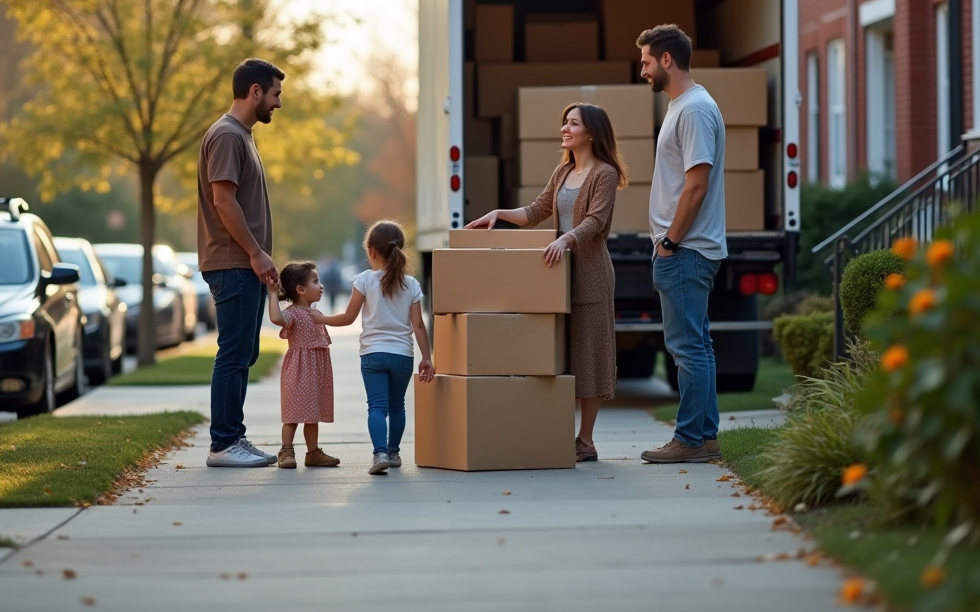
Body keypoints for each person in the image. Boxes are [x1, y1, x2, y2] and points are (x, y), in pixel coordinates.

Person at [465, 103, 626, 462]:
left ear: (592, 133)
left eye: (572, 124)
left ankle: (585, 441)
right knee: (554, 354)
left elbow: (596, 221)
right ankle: (553, 430)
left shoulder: (605, 174)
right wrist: (498, 214)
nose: (564, 130)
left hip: (591, 276)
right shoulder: (563, 170)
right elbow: (537, 211)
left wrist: (566, 239)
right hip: (555, 274)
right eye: (564, 123)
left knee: (588, 355)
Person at [635, 24, 728, 465]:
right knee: (699, 345)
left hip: (686, 251)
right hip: (690, 249)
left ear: (667, 60)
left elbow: (696, 184)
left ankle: (689, 438)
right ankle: (706, 437)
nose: (643, 71)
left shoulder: (692, 110)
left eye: (647, 62)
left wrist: (670, 241)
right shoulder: (686, 106)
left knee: (687, 348)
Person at [197, 58, 285, 468]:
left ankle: (233, 437)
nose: (277, 103)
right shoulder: (228, 136)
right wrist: (254, 252)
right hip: (232, 263)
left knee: (243, 353)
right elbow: (223, 199)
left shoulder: (241, 135)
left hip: (241, 264)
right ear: (255, 92)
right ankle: (224, 443)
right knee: (233, 352)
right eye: (275, 94)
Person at [311, 221, 434, 475]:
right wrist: (426, 358)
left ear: (371, 252)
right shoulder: (411, 284)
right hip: (402, 356)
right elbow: (419, 325)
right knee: (398, 406)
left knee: (377, 407)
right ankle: (394, 452)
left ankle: (379, 454)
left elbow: (347, 318)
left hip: (373, 355)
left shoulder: (365, 280)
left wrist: (321, 319)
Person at [266, 261, 340, 469]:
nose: (321, 286)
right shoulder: (294, 313)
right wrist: (272, 294)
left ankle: (313, 452)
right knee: (293, 414)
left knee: (312, 415)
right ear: (300, 289)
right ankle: (286, 450)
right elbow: (276, 318)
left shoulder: (314, 313)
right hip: (299, 372)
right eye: (315, 282)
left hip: (316, 372)